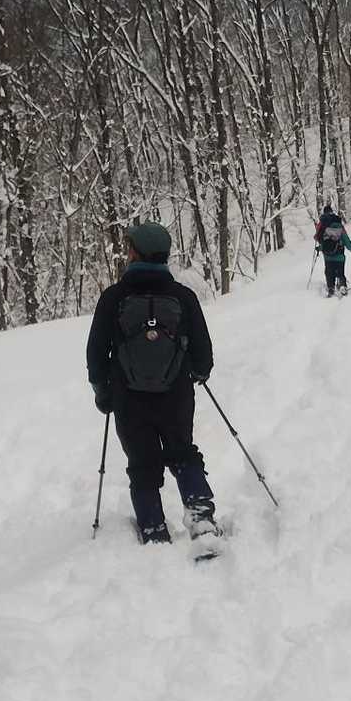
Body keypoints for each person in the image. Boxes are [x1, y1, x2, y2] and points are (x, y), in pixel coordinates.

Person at [86, 219, 218, 549]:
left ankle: (154, 531)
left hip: (128, 398)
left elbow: (96, 351)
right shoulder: (183, 297)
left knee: (142, 463)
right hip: (176, 394)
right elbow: (203, 350)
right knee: (182, 452)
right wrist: (198, 372)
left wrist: (103, 391)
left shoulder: (113, 297)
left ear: (135, 253)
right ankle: (201, 518)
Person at [315, 212, 351, 296]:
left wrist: (319, 248)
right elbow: (348, 243)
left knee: (329, 273)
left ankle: (330, 288)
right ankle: (342, 285)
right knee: (340, 273)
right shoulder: (341, 230)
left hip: (328, 257)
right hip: (340, 257)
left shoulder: (325, 229)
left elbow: (323, 243)